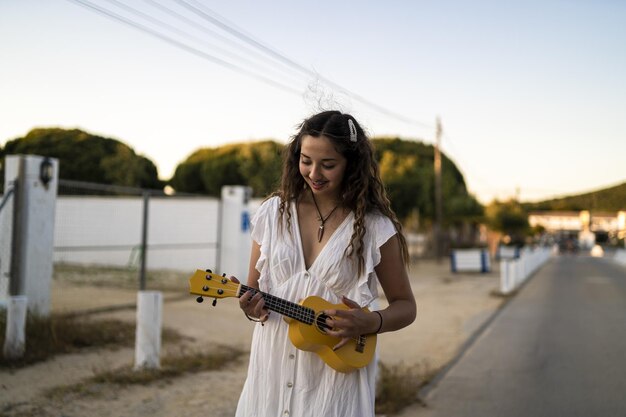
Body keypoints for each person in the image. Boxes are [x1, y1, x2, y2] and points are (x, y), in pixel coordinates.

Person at [234, 110, 416, 417]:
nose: (314, 173)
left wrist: (373, 322)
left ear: (351, 165)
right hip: (271, 372)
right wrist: (250, 306)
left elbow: (405, 305)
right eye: (306, 160)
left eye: (328, 164)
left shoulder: (375, 228)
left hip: (335, 385)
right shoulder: (272, 213)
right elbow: (251, 292)